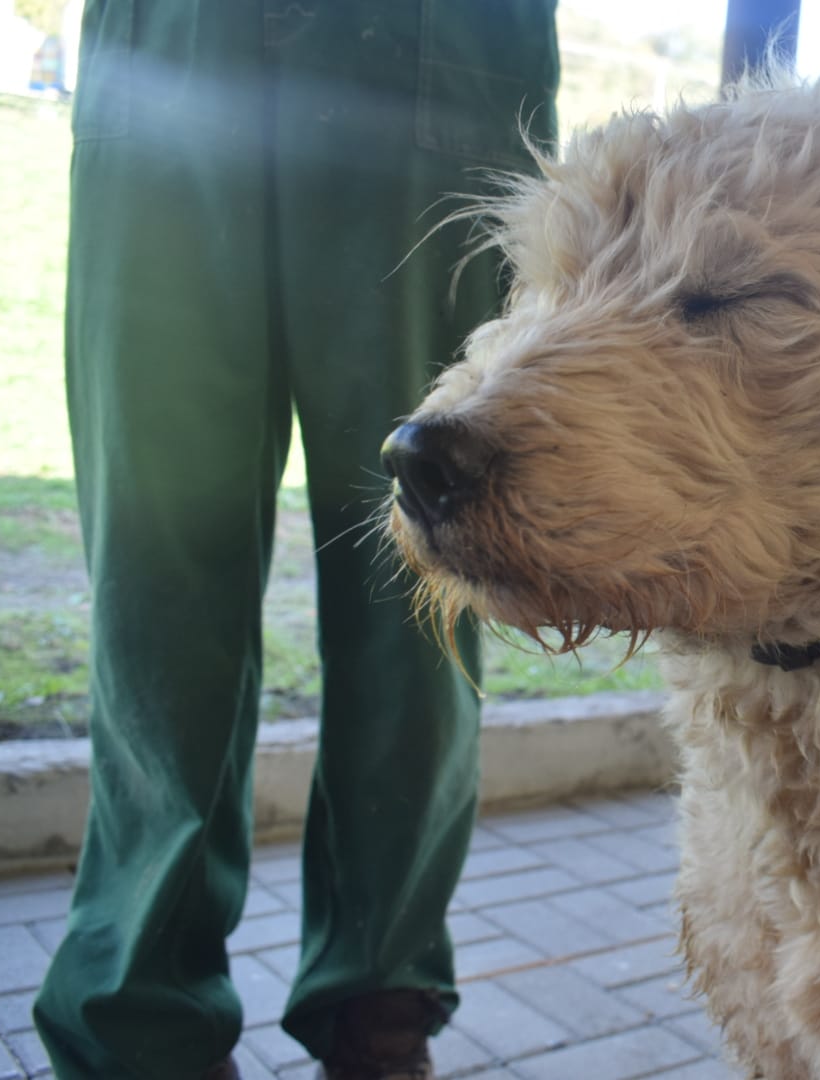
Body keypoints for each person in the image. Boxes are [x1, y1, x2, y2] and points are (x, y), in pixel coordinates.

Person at [32, 3, 559, 1078]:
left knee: (436, 546)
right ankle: (144, 1023)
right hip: (173, 44)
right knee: (154, 572)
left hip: (439, 45)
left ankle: (380, 999)